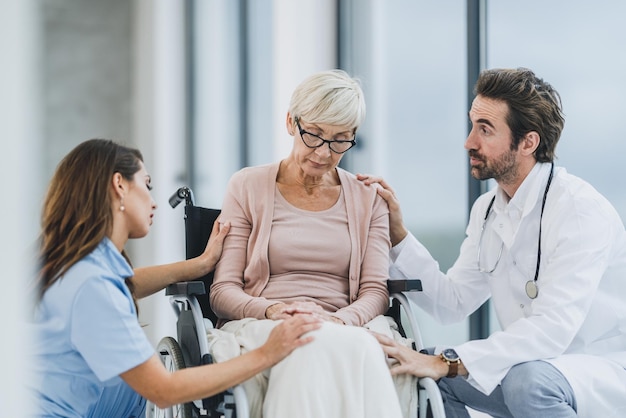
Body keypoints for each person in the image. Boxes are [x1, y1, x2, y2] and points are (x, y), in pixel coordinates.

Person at [359, 67, 626, 418]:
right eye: (472, 126)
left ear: (528, 142)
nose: (469, 142)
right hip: (529, 368)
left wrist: (450, 362)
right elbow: (452, 303)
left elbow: (553, 330)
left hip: (597, 367)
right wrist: (398, 235)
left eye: (485, 130)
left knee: (525, 382)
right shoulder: (487, 209)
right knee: (424, 374)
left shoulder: (578, 209)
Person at [28, 138, 322, 417]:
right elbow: (163, 390)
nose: (154, 202)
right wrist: (268, 353)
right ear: (119, 184)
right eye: (146, 185)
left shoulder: (80, 268)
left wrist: (200, 264)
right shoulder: (93, 284)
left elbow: (128, 284)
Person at [208, 69, 413, 418]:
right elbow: (222, 292)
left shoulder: (369, 199)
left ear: (353, 138)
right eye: (314, 135)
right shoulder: (247, 186)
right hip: (264, 323)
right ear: (291, 122)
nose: (323, 152)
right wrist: (273, 310)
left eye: (339, 140)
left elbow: (375, 292)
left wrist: (339, 321)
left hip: (348, 324)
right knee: (304, 341)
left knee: (321, 340)